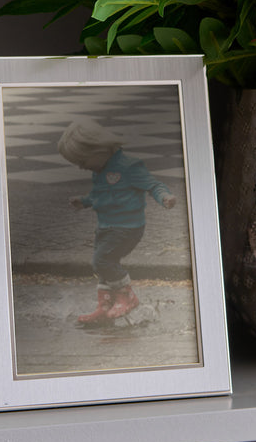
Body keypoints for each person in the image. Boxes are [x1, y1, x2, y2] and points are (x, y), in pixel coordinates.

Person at [57, 118, 176, 324]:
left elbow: (153, 185)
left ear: (99, 149)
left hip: (127, 228)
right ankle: (105, 307)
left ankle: (127, 297)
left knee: (102, 261)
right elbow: (100, 194)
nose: (81, 167)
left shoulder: (129, 167)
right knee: (103, 267)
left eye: (82, 161)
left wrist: (164, 197)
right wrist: (84, 201)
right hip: (105, 227)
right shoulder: (99, 171)